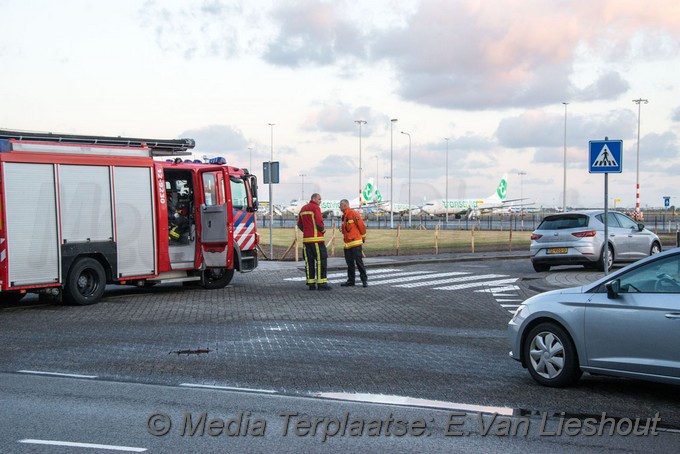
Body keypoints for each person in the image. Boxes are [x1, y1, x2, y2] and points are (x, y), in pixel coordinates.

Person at [297, 193, 331, 290]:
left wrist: (306, 231)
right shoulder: (316, 208)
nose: (320, 201)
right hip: (317, 239)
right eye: (319, 199)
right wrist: (323, 230)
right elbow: (319, 222)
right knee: (321, 261)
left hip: (306, 240)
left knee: (309, 262)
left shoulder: (303, 209)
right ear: (314, 199)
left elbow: (299, 224)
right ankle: (322, 283)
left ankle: (311, 283)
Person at [339, 199, 368, 287]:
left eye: (340, 205)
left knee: (359, 262)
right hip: (348, 244)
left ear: (345, 205)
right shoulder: (344, 216)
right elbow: (346, 230)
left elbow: (361, 226)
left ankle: (364, 280)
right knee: (350, 263)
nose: (340, 207)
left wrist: (363, 237)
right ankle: (351, 281)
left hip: (355, 243)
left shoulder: (354, 213)